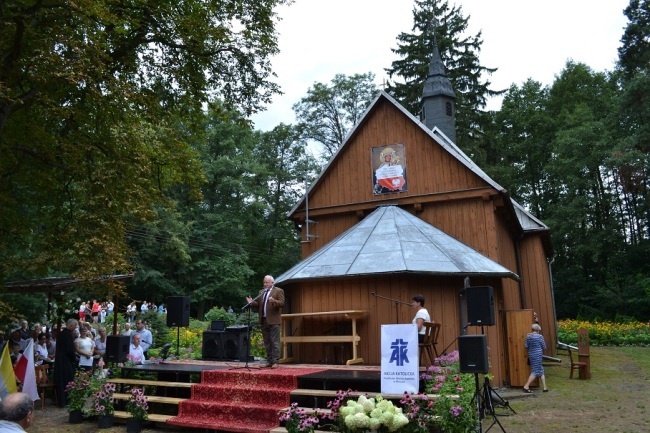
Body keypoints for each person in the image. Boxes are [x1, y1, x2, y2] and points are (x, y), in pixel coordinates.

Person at [245, 275, 285, 368]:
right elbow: (259, 305)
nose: (265, 284)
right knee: (267, 342)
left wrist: (274, 301)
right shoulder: (261, 292)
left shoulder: (278, 291)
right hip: (263, 320)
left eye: (267, 282)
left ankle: (275, 361)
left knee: (274, 341)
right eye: (264, 282)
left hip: (274, 320)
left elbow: (282, 303)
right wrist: (251, 303)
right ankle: (269, 360)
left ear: (272, 282)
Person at [54, 318, 78, 407]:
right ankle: (67, 400)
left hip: (60, 360)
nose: (75, 328)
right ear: (71, 325)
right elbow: (69, 350)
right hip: (66, 361)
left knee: (62, 381)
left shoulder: (60, 334)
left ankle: (62, 400)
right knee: (68, 380)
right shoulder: (68, 335)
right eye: (75, 326)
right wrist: (74, 359)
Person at [523, 323, 548, 393]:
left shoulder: (528, 336)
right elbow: (544, 347)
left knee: (541, 370)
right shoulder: (540, 337)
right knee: (535, 371)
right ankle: (526, 386)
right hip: (538, 355)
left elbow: (526, 346)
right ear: (538, 330)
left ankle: (545, 387)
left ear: (532, 329)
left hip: (531, 354)